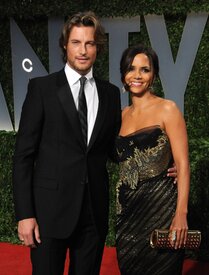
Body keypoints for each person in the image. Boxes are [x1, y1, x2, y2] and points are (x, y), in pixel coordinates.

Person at [12, 11, 121, 275]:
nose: (83, 50)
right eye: (76, 42)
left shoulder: (110, 94)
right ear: (65, 45)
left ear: (98, 47)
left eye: (90, 43)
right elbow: (23, 156)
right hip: (49, 214)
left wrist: (161, 163)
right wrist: (25, 215)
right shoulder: (42, 89)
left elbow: (113, 150)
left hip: (93, 215)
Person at [115, 44, 190, 275]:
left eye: (144, 70)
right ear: (123, 75)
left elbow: (184, 165)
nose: (137, 76)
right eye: (131, 69)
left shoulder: (168, 109)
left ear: (153, 74)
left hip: (162, 210)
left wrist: (181, 214)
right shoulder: (120, 116)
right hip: (127, 213)